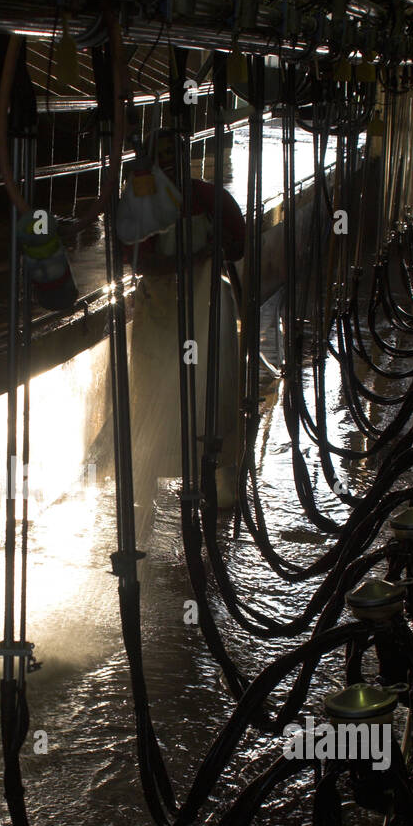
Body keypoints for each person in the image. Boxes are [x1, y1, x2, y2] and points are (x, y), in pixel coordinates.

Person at [127, 141, 246, 541]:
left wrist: (210, 254)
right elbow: (138, 260)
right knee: (155, 399)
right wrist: (194, 259)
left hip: (207, 309)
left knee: (213, 396)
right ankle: (145, 497)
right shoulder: (145, 208)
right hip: (161, 312)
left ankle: (219, 487)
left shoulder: (212, 199)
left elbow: (240, 244)